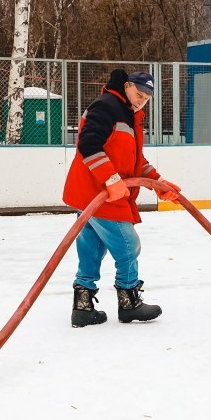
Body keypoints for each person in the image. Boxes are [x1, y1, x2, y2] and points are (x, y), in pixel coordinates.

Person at [62, 68, 181, 327]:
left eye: (146, 98)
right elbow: (88, 144)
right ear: (126, 86)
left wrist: (158, 183)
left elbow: (133, 162)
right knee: (128, 245)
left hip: (92, 194)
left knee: (91, 248)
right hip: (99, 194)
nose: (141, 100)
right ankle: (129, 302)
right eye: (138, 94)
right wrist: (111, 179)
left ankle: (82, 307)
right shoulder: (107, 107)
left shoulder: (130, 114)